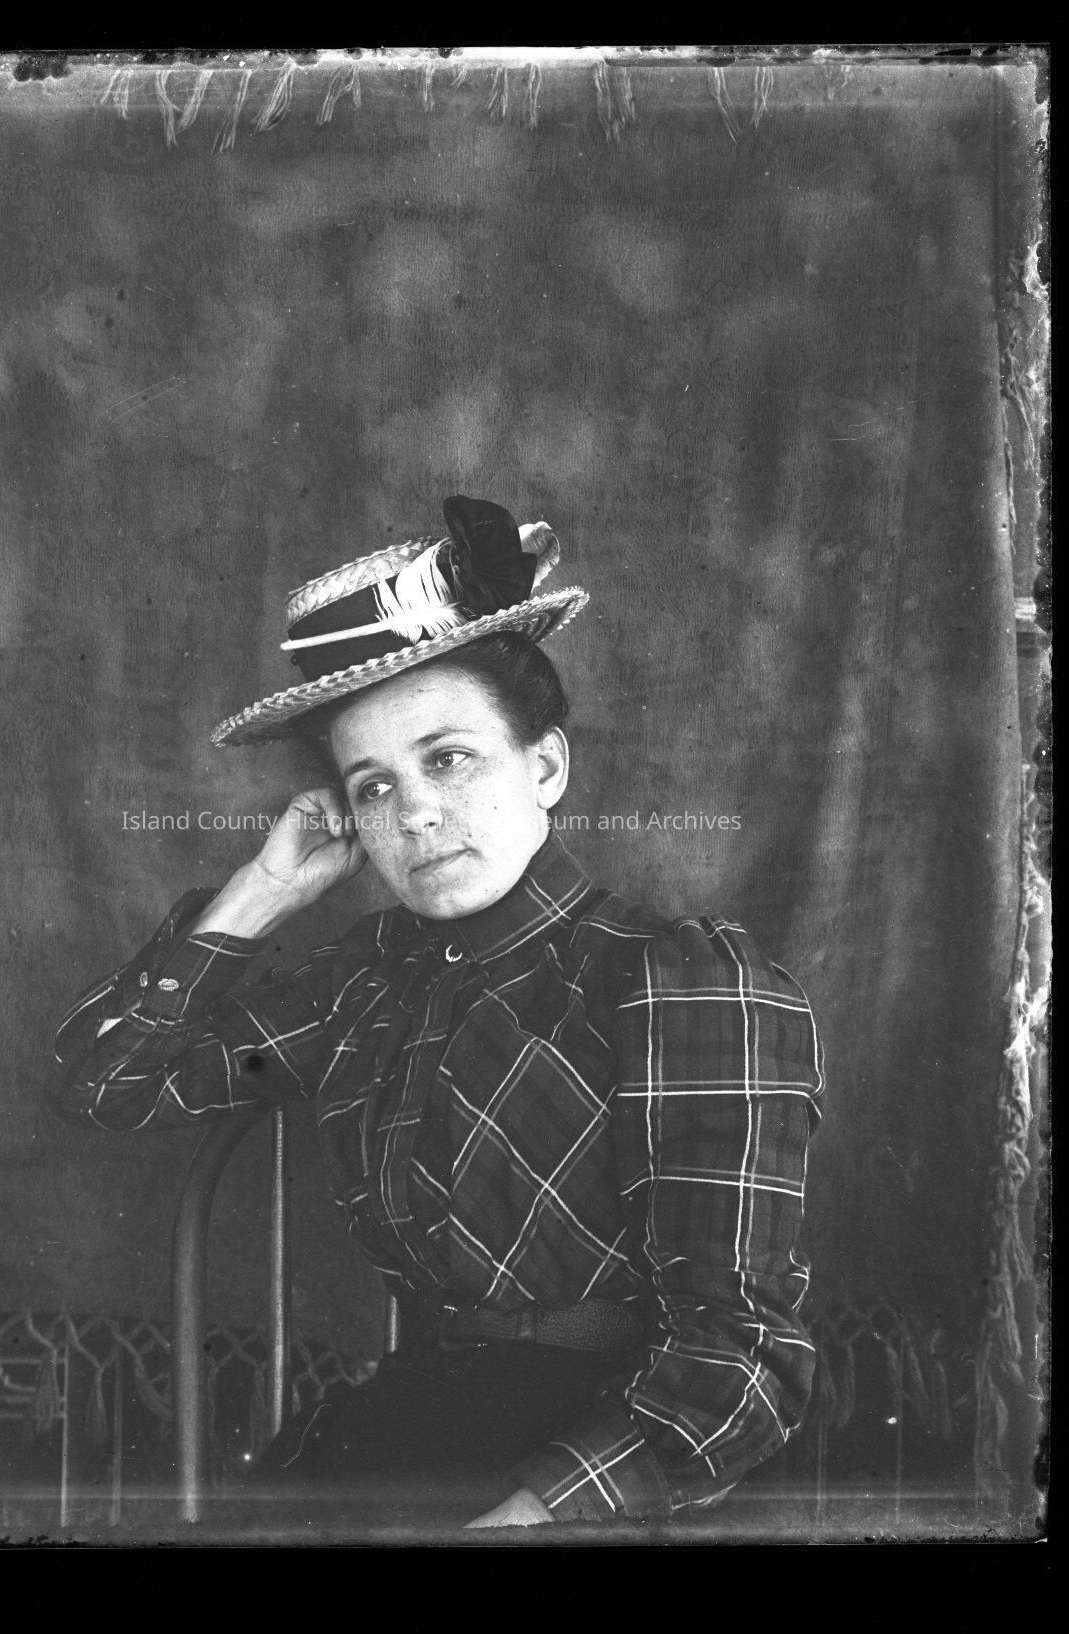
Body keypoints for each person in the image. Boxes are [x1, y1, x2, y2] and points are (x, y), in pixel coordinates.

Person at [48, 497, 824, 1531]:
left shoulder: (679, 979)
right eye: (372, 786)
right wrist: (260, 895)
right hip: (403, 1432)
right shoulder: (365, 984)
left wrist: (525, 1517)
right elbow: (108, 1083)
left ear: (543, 767)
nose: (413, 812)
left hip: (613, 1462)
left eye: (448, 758)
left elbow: (740, 1359)